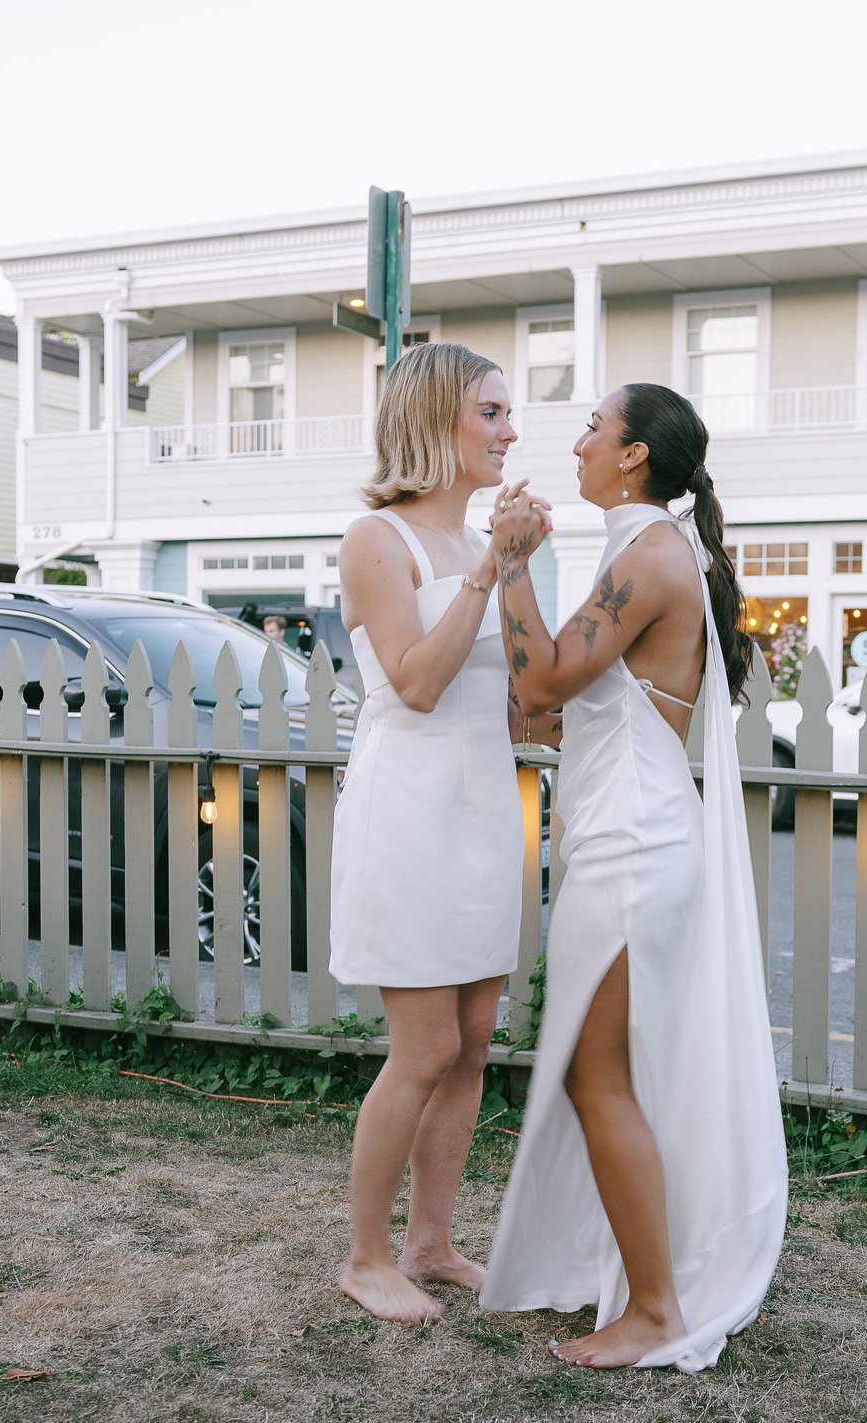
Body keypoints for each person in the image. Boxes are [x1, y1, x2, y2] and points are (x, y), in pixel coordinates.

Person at [478, 383, 786, 1370]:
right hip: (619, 832)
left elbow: (540, 680)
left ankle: (654, 1309)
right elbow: (566, 704)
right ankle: (630, 1275)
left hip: (632, 844)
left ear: (633, 457)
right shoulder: (641, 550)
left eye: (592, 429)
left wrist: (512, 562)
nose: (573, 443)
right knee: (598, 1070)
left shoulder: (650, 555)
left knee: (595, 1071)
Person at [329, 342, 549, 1327]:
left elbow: (527, 700)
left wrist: (517, 572)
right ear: (436, 422)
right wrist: (487, 572)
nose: (509, 431)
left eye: (508, 415)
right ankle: (365, 1254)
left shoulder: (482, 549)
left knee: (469, 1044)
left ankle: (432, 1239)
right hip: (408, 811)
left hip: (482, 807)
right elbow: (415, 684)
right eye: (491, 413)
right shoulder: (378, 541)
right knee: (418, 1049)